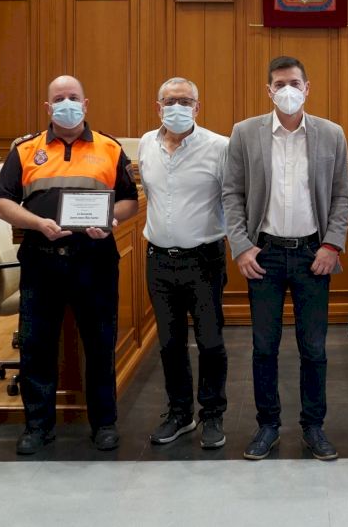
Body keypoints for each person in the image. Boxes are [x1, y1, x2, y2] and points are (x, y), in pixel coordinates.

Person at [0, 75, 139, 454]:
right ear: (48, 107)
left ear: (86, 104)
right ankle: (37, 427)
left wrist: (111, 219)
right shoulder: (26, 150)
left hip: (95, 261)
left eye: (73, 97)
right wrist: (37, 223)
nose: (67, 104)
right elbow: (2, 203)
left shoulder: (109, 148)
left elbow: (130, 200)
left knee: (100, 344)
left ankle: (104, 423)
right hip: (41, 260)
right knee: (37, 346)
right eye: (59, 98)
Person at [222, 56, 348, 461]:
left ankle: (314, 427)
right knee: (264, 347)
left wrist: (332, 245)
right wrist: (241, 246)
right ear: (269, 90)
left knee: (314, 348)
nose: (288, 90)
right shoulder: (245, 133)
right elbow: (232, 194)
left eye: (294, 83)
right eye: (279, 84)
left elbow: (342, 196)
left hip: (315, 253)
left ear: (307, 88)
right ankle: (268, 426)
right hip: (265, 254)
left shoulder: (331, 134)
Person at [138, 77, 230, 449]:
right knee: (169, 343)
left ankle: (212, 414)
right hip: (159, 260)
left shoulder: (220, 146)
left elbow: (234, 200)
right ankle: (179, 413)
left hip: (204, 259)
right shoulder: (146, 144)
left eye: (185, 101)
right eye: (170, 101)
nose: (177, 107)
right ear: (158, 107)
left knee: (210, 341)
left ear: (197, 107)